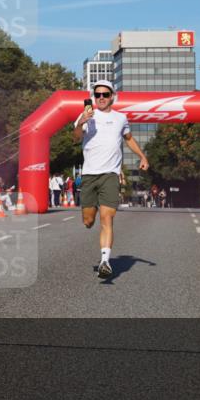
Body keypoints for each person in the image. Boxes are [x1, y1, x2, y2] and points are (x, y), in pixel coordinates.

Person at [73, 80, 149, 279]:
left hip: (110, 174)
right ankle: (90, 216)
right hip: (89, 174)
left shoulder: (120, 118)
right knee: (89, 221)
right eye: (97, 94)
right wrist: (82, 122)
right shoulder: (86, 115)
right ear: (93, 96)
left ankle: (105, 261)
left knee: (107, 218)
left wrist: (142, 156)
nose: (101, 98)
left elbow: (129, 138)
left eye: (105, 94)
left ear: (112, 96)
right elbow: (75, 138)